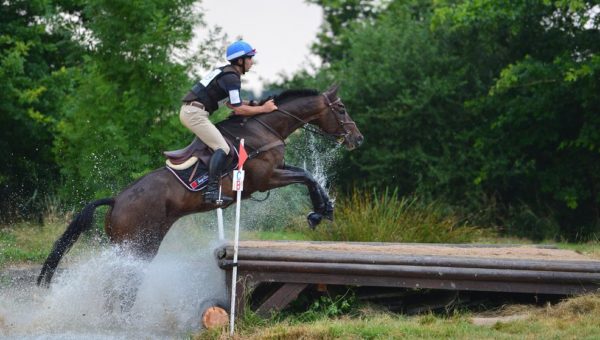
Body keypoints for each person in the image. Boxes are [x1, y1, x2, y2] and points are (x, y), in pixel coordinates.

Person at [180, 40, 278, 204]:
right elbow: (238, 109)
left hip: (193, 112)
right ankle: (211, 191)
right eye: (250, 58)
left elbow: (231, 103)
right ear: (240, 60)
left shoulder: (226, 72)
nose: (252, 62)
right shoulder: (232, 77)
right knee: (223, 148)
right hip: (194, 114)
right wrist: (264, 110)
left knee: (221, 146)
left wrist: (256, 104)